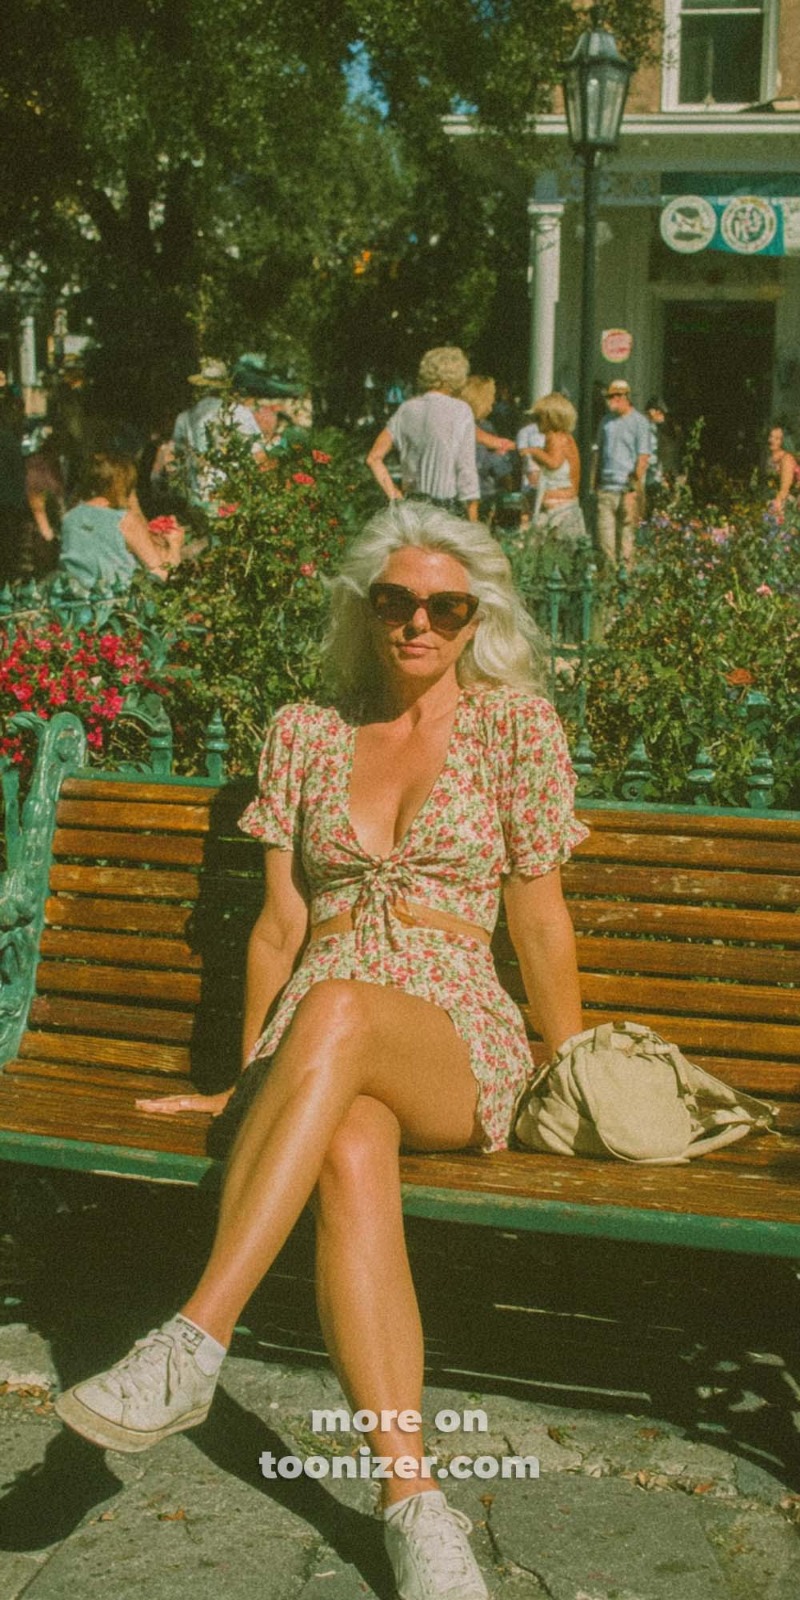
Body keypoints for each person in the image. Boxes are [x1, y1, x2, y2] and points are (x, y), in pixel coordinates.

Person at [53, 501, 587, 1600]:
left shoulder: (513, 727)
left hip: (451, 1033)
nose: (417, 623)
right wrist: (246, 1075)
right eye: (394, 601)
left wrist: (570, 1069)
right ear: (365, 608)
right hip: (321, 1036)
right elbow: (279, 928)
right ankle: (414, 1508)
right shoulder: (304, 731)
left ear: (473, 613)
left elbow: (536, 919)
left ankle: (195, 1335)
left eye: (444, 605)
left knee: (338, 1008)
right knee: (345, 1138)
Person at [366, 346, 481, 520]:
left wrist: (393, 494)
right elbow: (466, 469)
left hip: (412, 508)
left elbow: (373, 458)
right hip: (445, 510)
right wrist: (473, 517)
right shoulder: (460, 410)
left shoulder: (406, 409)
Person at [58, 452, 184, 590]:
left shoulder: (69, 519)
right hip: (119, 603)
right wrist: (175, 545)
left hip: (77, 601)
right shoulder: (123, 520)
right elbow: (162, 574)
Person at [172, 359, 266, 509]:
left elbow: (177, 456)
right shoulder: (239, 413)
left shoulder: (185, 417)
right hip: (232, 494)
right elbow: (259, 456)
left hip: (197, 495)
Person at [593, 379, 650, 569]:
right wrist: (593, 483)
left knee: (626, 539)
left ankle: (625, 581)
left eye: (615, 396)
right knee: (605, 539)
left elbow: (643, 457)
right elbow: (597, 453)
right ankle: (609, 579)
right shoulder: (605, 421)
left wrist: (632, 488)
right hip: (606, 488)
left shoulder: (640, 422)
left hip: (627, 488)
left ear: (625, 397)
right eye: (610, 396)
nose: (611, 400)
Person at [524, 393, 586, 543]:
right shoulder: (565, 437)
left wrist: (534, 451)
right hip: (564, 506)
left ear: (550, 418)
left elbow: (554, 463)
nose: (536, 421)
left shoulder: (556, 437)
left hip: (560, 510)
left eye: (539, 417)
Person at [461, 375, 514, 522]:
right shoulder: (483, 427)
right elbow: (487, 465)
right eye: (491, 400)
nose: (492, 405)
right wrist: (502, 456)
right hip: (481, 493)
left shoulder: (455, 425)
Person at [765, 423, 799, 514]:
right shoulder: (769, 457)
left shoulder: (786, 459)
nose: (772, 440)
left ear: (783, 441)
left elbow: (784, 490)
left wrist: (774, 506)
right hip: (769, 498)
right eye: (771, 437)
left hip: (787, 502)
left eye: (777, 439)